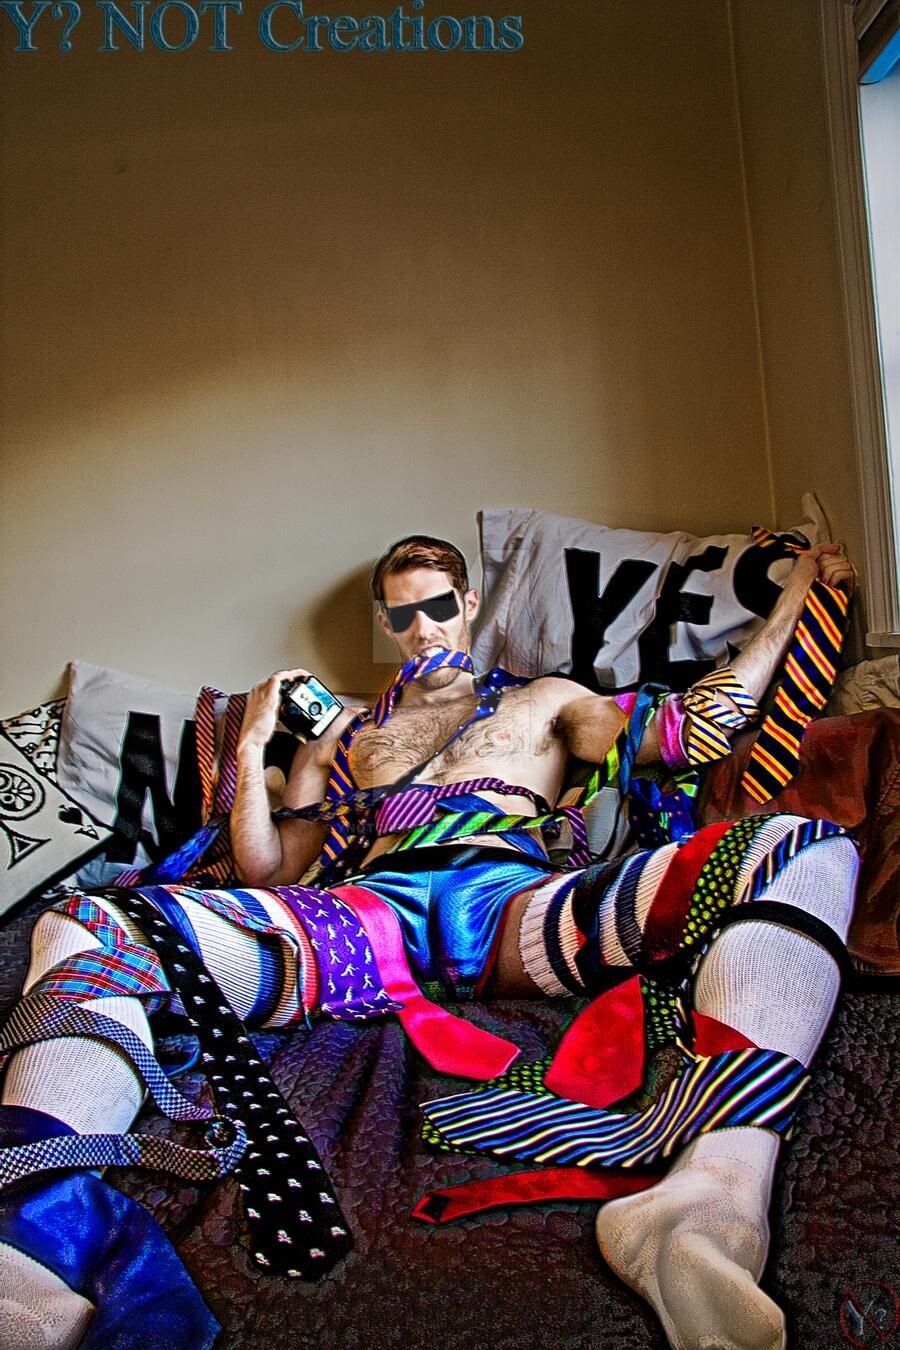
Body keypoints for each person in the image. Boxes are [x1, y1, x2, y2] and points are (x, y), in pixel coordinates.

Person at [0, 534, 859, 1350]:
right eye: (403, 615)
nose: (423, 629)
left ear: (470, 603)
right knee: (87, 919)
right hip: (365, 920)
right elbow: (268, 870)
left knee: (801, 848)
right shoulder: (344, 734)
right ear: (385, 623)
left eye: (439, 607)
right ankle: (31, 1242)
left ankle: (710, 1199)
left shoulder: (545, 699)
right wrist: (256, 743)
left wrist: (790, 601)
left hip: (516, 906)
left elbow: (692, 732)